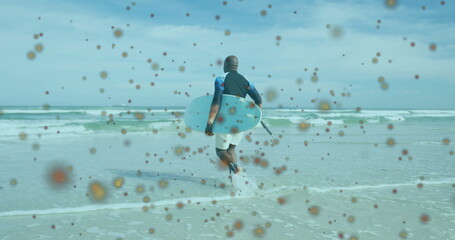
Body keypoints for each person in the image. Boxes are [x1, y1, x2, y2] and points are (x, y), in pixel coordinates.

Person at [205, 55, 262, 175]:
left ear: (225, 65)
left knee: (220, 151)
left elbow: (216, 101)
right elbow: (259, 101)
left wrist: (209, 123)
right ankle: (235, 182)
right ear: (237, 66)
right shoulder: (246, 81)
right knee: (231, 149)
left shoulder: (221, 78)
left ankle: (236, 170)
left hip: (224, 120)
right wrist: (253, 117)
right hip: (240, 121)